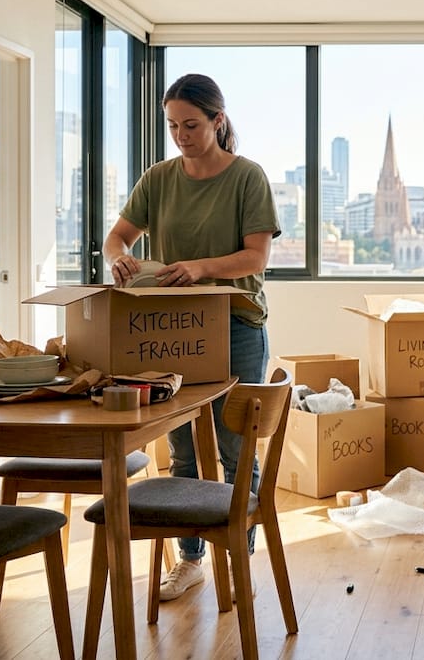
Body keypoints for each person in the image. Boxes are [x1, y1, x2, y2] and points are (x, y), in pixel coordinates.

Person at [103, 73, 281, 601]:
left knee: (234, 447)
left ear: (217, 121)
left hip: (235, 323)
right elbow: (117, 237)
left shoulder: (248, 177)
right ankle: (189, 559)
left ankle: (237, 556)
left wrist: (200, 268)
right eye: (173, 125)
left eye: (192, 125)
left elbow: (256, 257)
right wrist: (119, 259)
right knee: (180, 445)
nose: (181, 135)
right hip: (171, 326)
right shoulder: (158, 178)